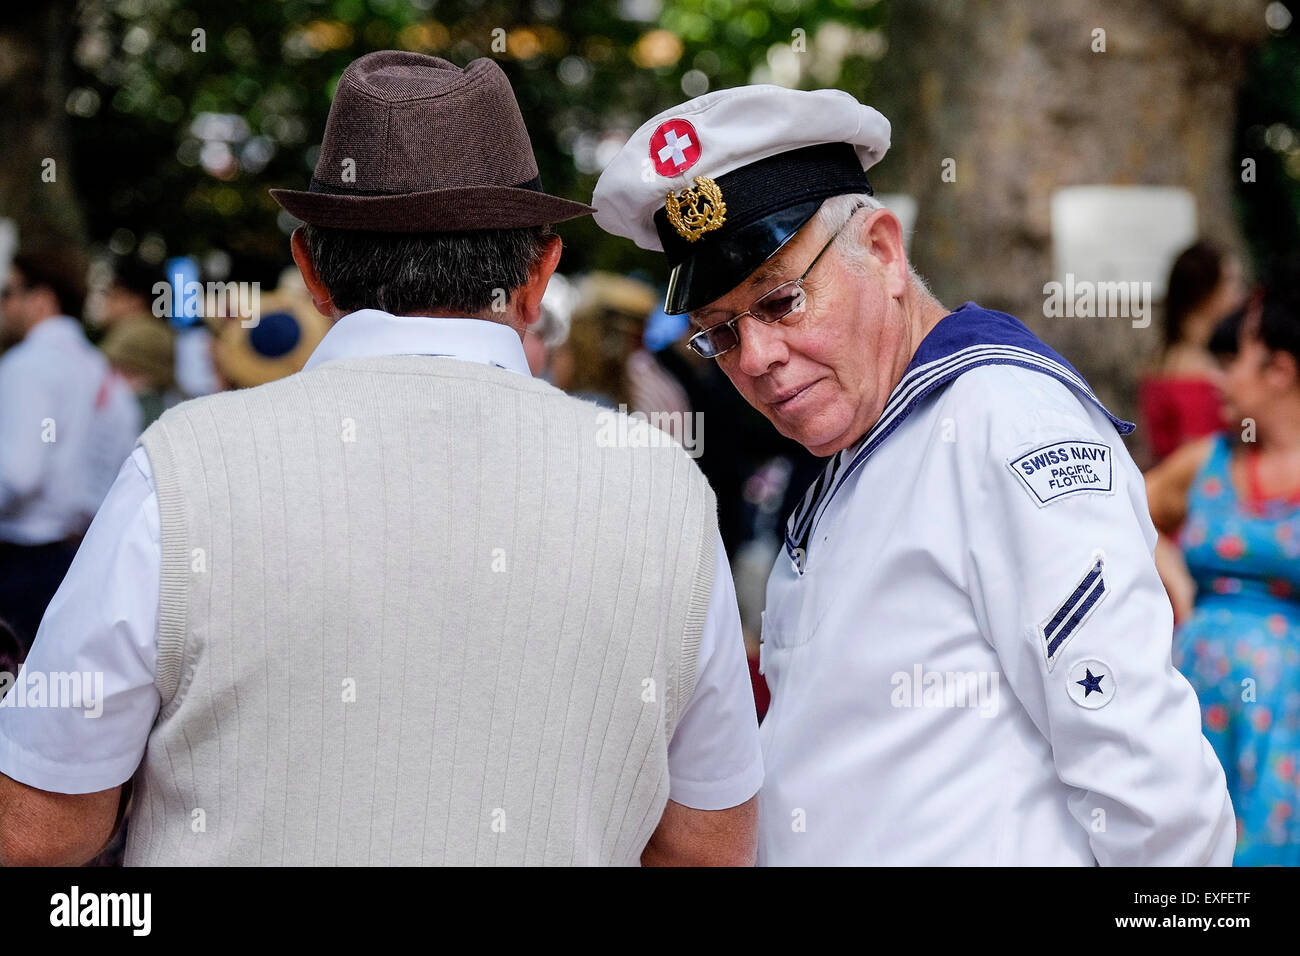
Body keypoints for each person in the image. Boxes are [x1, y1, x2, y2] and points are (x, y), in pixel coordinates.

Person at [0, 52, 761, 867]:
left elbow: (42, 830)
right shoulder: (664, 494)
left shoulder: (185, 470)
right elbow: (707, 845)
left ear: (312, 270)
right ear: (540, 275)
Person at [592, 85, 1234, 865]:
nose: (755, 359)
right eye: (718, 334)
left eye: (782, 301)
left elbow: (1154, 791)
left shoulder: (1005, 420)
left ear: (886, 252)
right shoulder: (870, 433)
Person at [1146, 273, 1300, 865]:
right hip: (1197, 703)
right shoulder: (1205, 462)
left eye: (1237, 358)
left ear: (1281, 371)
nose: (1221, 375)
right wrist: (1177, 579)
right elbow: (1119, 513)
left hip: (1282, 730)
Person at [0, 245, 140, 655]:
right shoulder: (99, 367)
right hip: (78, 560)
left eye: (7, 293)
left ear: (40, 297)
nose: (4, 306)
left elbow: (17, 475)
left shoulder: (28, 364)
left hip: (21, 563)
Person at [1138, 240, 1244, 465]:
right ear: (1206, 292)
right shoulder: (1195, 373)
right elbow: (1199, 457)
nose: (1239, 293)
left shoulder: (1162, 361)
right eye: (1230, 282)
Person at [96, 258, 178, 427]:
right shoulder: (156, 331)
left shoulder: (137, 334)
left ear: (135, 300)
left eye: (112, 293)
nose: (105, 302)